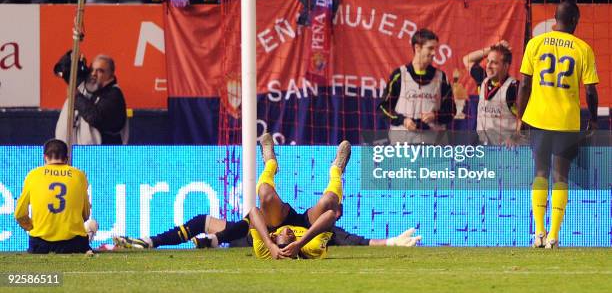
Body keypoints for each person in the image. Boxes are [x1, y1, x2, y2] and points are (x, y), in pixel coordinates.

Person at [516, 1, 599, 249]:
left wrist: (521, 116)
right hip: (566, 120)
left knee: (540, 173)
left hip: (538, 118)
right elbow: (591, 91)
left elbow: (524, 84)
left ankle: (538, 232)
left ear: (555, 18)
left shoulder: (536, 43)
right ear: (575, 20)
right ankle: (553, 236)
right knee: (561, 175)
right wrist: (593, 119)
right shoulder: (583, 49)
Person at [112, 212, 422, 250]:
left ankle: (215, 240)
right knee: (202, 220)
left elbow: (355, 240)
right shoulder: (294, 220)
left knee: (242, 227)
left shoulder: (315, 234)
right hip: (240, 234)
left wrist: (392, 242)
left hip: (244, 240)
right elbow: (251, 217)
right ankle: (150, 241)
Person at [379, 29, 456, 144]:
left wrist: (435, 115)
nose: (434, 53)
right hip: (403, 147)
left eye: (435, 49)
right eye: (430, 48)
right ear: (417, 48)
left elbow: (451, 111)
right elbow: (383, 108)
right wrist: (403, 120)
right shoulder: (399, 75)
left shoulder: (441, 77)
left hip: (433, 147)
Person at [14, 139, 92, 254]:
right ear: (66, 158)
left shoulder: (33, 175)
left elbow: (19, 214)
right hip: (74, 243)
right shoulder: (79, 175)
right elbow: (85, 214)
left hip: (40, 244)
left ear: (45, 157)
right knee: (92, 226)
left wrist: (31, 227)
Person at [62, 54, 128, 145]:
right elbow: (65, 73)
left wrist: (77, 97)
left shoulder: (114, 95)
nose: (93, 74)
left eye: (100, 71)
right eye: (91, 69)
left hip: (105, 155)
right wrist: (72, 56)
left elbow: (96, 117)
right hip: (81, 152)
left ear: (111, 75)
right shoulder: (90, 88)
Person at [462, 40, 520, 145]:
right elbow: (467, 59)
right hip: (483, 147)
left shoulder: (513, 87)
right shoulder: (483, 78)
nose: (488, 66)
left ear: (506, 66)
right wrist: (492, 48)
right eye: (488, 61)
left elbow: (525, 118)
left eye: (494, 62)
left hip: (505, 151)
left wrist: (514, 138)